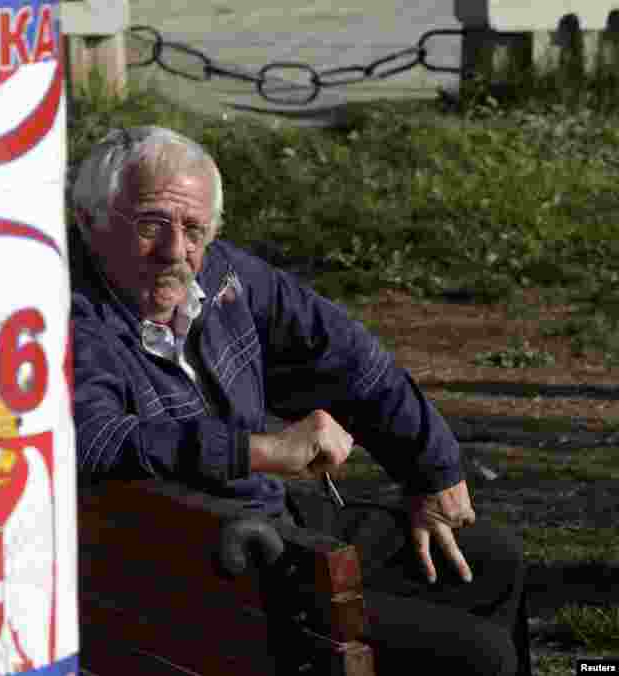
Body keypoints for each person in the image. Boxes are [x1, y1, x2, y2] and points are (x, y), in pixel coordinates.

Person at [68, 126, 532, 676]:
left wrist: (431, 469)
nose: (176, 252)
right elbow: (93, 440)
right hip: (206, 568)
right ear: (91, 222)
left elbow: (343, 355)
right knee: (479, 656)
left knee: (492, 561)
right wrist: (260, 450)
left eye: (193, 229)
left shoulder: (224, 276)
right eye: (151, 225)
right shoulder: (70, 317)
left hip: (272, 523)